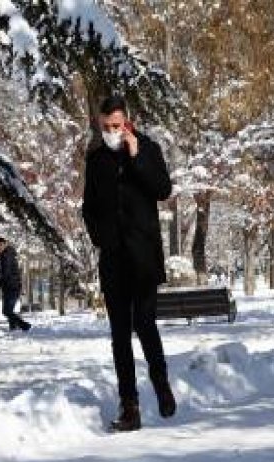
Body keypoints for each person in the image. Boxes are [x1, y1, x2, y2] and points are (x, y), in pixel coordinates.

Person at [81, 94, 176, 432]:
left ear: (127, 122)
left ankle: (162, 385)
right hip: (113, 259)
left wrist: (136, 158)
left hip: (144, 258)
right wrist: (100, 237)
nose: (111, 131)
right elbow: (87, 208)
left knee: (145, 324)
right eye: (105, 126)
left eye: (116, 126)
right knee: (119, 334)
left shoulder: (147, 149)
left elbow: (162, 189)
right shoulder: (95, 160)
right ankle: (130, 406)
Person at [0, 237, 31, 331]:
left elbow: (6, 272)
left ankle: (24, 325)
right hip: (11, 285)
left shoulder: (6, 255)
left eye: (1, 245)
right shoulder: (9, 253)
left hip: (12, 286)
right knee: (8, 310)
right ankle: (13, 328)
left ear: (5, 244)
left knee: (6, 311)